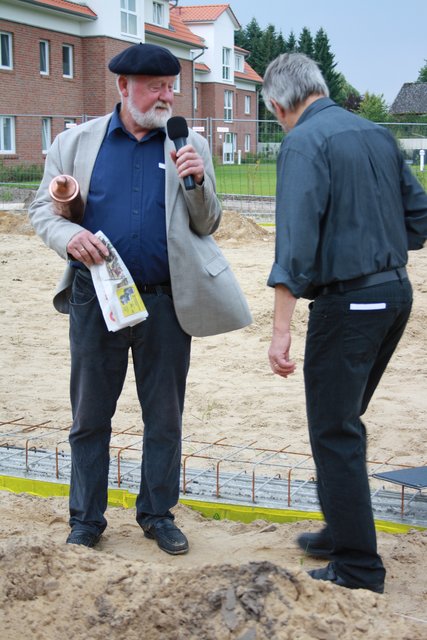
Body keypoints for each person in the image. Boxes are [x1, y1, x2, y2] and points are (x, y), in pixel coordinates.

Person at [29, 43, 252, 554]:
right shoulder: (75, 143)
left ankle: (157, 514)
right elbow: (42, 209)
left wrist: (196, 181)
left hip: (167, 302)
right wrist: (69, 238)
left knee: (164, 417)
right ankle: (86, 520)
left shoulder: (189, 144)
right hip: (95, 298)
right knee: (90, 416)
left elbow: (208, 222)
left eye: (170, 87)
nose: (166, 97)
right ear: (124, 87)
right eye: (155, 88)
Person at [262, 53, 427, 593]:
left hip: (350, 302)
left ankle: (357, 567)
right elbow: (419, 218)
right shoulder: (377, 133)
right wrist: (372, 241)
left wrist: (280, 330)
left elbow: (294, 243)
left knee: (334, 429)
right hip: (395, 294)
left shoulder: (303, 142)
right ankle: (340, 530)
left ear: (278, 104)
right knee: (343, 419)